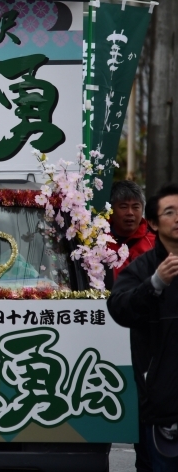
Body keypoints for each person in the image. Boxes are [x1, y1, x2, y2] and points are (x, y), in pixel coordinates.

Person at [108, 183, 178, 471]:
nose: (177, 219)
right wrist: (155, 284)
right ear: (154, 222)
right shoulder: (143, 268)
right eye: (170, 212)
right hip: (162, 405)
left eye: (134, 206)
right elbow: (120, 308)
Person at [106, 180, 155, 472]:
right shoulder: (93, 239)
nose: (130, 213)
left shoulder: (154, 242)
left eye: (135, 207)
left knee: (145, 407)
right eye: (123, 206)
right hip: (104, 333)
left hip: (143, 336)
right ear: (111, 210)